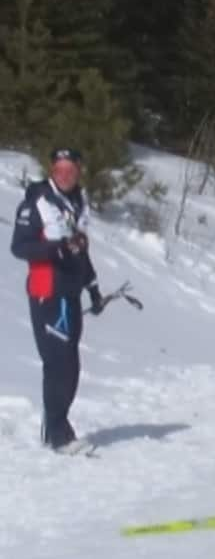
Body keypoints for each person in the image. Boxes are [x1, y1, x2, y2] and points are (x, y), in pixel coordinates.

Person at [10, 148, 105, 453]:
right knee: (59, 364)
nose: (64, 174)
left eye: (70, 169)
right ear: (51, 169)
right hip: (46, 291)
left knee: (70, 365)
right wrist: (58, 249)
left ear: (79, 170)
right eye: (59, 169)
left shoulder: (77, 201)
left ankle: (56, 427)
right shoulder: (36, 202)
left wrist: (93, 287)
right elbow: (19, 246)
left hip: (70, 292)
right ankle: (58, 435)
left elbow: (80, 250)